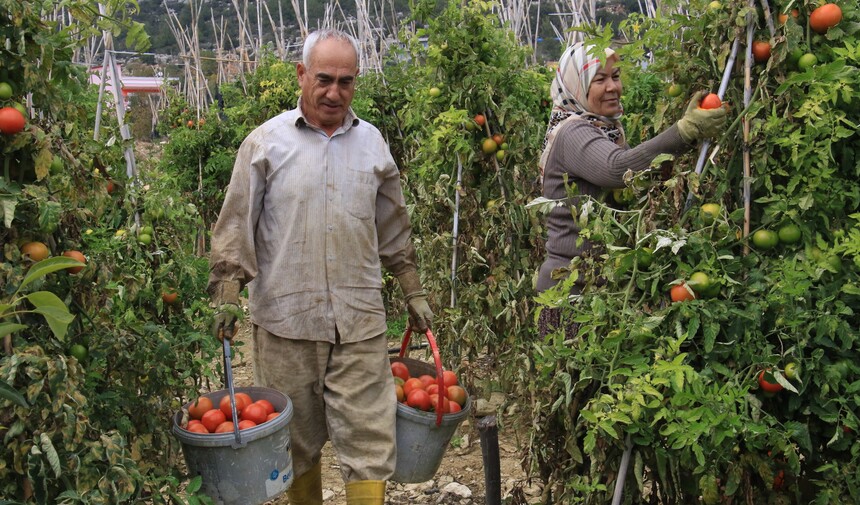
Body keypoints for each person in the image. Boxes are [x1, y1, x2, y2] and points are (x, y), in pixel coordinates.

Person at [207, 29, 434, 505]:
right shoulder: (266, 144)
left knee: (371, 441)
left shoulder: (372, 145)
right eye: (324, 79)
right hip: (286, 324)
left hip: (359, 321)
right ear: (302, 75)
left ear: (356, 83)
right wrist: (227, 291)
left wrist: (411, 288)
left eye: (346, 81)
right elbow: (236, 224)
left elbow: (392, 226)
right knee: (297, 444)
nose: (334, 92)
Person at [536, 41, 727, 336]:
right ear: (576, 86)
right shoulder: (573, 131)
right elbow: (617, 169)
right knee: (574, 376)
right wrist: (684, 131)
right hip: (569, 292)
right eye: (599, 79)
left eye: (616, 76)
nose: (613, 87)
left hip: (598, 291)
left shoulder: (605, 130)